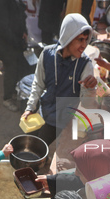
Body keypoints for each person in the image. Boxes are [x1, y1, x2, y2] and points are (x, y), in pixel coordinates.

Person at [22, 13, 96, 145]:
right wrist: (30, 107)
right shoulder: (46, 54)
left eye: (86, 39)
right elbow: (38, 84)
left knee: (38, 148)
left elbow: (86, 104)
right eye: (80, 39)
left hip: (62, 121)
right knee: (27, 141)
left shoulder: (85, 65)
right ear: (68, 37)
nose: (84, 45)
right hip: (43, 112)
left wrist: (90, 90)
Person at [0, 0, 31, 112]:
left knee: (18, 67)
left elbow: (21, 14)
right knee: (11, 68)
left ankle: (13, 91)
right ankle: (7, 98)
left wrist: (24, 31)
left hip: (16, 40)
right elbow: (2, 27)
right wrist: (16, 41)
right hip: (6, 42)